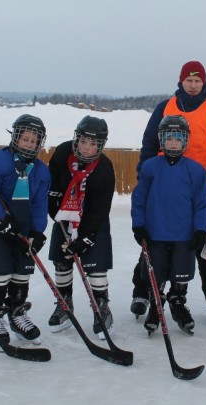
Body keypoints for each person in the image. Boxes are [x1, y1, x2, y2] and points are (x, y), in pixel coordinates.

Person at [130, 60, 206, 317]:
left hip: (198, 184)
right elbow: (149, 143)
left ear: (204, 83)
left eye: (198, 81)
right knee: (153, 240)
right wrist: (146, 174)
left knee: (201, 243)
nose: (193, 85)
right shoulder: (165, 107)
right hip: (163, 183)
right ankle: (143, 291)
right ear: (181, 81)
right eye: (189, 80)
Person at [0, 114, 50, 350]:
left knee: (21, 274)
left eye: (33, 140)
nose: (29, 144)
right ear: (15, 137)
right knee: (0, 274)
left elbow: (39, 204)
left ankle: (17, 316)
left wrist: (37, 232)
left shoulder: (41, 170)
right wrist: (2, 218)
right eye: (24, 138)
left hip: (24, 228)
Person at [131, 115, 206, 334]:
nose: (173, 142)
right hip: (156, 232)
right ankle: (157, 304)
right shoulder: (150, 167)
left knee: (181, 271)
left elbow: (202, 203)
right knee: (156, 272)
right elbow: (139, 199)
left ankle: (177, 301)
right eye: (169, 138)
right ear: (161, 140)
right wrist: (138, 225)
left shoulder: (195, 170)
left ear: (185, 141)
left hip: (184, 235)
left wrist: (200, 229)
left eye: (178, 138)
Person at [47, 115, 116, 338]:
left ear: (101, 145)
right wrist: (57, 215)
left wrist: (85, 237)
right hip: (65, 216)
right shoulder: (62, 153)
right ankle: (65, 305)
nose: (86, 147)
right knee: (62, 260)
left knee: (95, 265)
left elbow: (100, 208)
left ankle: (101, 307)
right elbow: (52, 190)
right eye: (83, 141)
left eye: (92, 143)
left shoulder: (105, 167)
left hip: (92, 220)